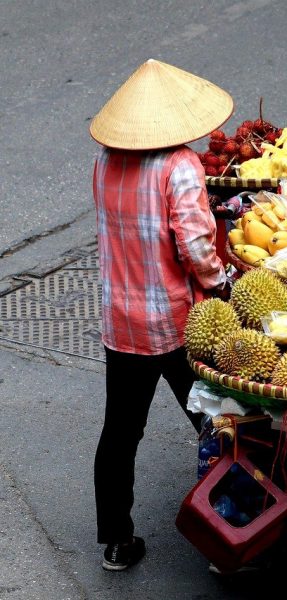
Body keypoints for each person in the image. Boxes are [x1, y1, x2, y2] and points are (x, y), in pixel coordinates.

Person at [88, 59, 234, 571]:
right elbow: (195, 246)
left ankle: (117, 541)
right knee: (217, 422)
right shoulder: (180, 166)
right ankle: (228, 537)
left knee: (120, 432)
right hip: (175, 323)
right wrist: (222, 283)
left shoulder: (105, 163)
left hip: (121, 320)